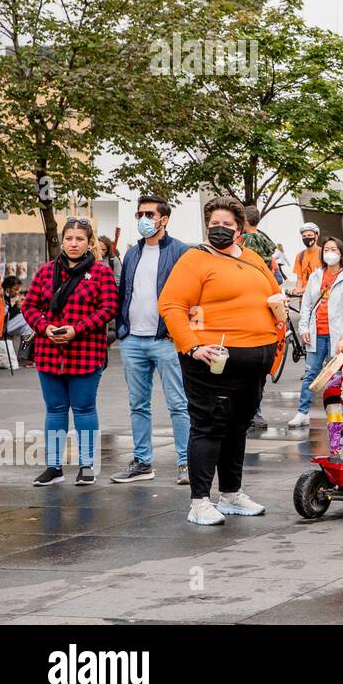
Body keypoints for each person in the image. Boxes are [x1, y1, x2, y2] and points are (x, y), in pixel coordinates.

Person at [159, 196, 283, 526]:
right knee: (209, 427)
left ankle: (230, 494)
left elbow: (274, 296)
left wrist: (277, 339)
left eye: (227, 224)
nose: (220, 229)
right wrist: (192, 346)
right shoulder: (194, 260)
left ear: (240, 229)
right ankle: (199, 500)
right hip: (212, 360)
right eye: (214, 224)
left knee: (237, 427)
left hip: (255, 360)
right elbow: (171, 305)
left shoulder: (254, 258)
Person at [22, 218, 119, 486]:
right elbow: (29, 307)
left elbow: (109, 308)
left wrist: (77, 329)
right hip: (48, 352)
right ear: (62, 241)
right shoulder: (45, 272)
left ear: (89, 243)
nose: (73, 243)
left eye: (79, 239)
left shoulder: (101, 273)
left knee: (84, 409)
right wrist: (45, 327)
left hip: (86, 352)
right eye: (69, 238)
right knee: (54, 410)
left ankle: (86, 466)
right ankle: (53, 467)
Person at [110, 196, 192, 486]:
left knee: (178, 404)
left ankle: (186, 463)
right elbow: (124, 293)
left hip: (166, 341)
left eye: (149, 214)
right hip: (133, 341)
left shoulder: (181, 252)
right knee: (137, 404)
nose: (143, 218)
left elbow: (192, 295)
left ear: (164, 219)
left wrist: (180, 330)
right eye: (139, 213)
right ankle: (143, 462)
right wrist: (122, 329)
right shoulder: (132, 253)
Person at [293, 236, 343, 428]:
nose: (329, 253)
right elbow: (307, 304)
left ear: (342, 254)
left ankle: (342, 415)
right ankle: (302, 412)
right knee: (311, 374)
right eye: (327, 249)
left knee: (339, 376)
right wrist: (304, 328)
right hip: (316, 333)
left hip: (338, 336)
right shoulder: (316, 276)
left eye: (334, 250)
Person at [241, 204, 281, 282]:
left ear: (245, 221)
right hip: (266, 276)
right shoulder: (261, 235)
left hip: (258, 278)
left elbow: (250, 263)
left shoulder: (251, 240)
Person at [290, 222, 323, 297]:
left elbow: (321, 280)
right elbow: (299, 279)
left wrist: (303, 289)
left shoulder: (323, 254)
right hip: (304, 298)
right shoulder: (300, 256)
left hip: (319, 298)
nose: (306, 238)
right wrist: (297, 290)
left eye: (309, 235)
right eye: (304, 236)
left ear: (316, 236)